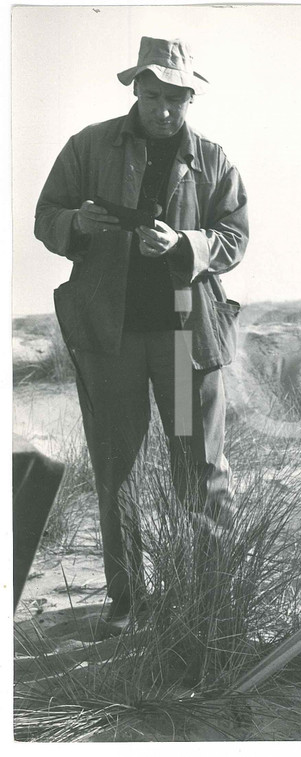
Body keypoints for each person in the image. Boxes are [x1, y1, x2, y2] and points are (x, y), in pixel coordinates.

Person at [34, 37, 249, 630]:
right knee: (116, 467)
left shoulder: (213, 158)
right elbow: (45, 216)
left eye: (174, 99)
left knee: (202, 469)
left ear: (188, 98)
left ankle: (211, 596)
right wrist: (76, 222)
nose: (162, 109)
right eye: (152, 96)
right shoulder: (89, 146)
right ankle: (129, 600)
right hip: (110, 333)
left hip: (189, 335)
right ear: (136, 90)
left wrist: (187, 246)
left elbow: (235, 234)